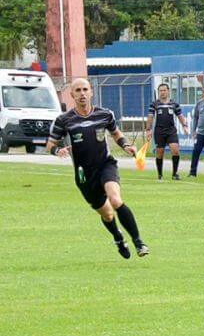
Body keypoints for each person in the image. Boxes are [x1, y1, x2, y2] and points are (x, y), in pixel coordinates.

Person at [46, 77, 148, 259]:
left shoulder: (105, 114)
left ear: (91, 92)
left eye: (85, 89)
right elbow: (50, 144)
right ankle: (118, 237)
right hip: (84, 174)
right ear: (72, 95)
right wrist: (57, 150)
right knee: (107, 214)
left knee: (115, 200)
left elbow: (116, 134)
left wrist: (126, 145)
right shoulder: (64, 120)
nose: (82, 94)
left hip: (106, 165)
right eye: (78, 90)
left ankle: (139, 242)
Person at [147, 83, 188, 180]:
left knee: (175, 150)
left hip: (171, 131)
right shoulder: (154, 104)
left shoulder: (174, 104)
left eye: (164, 90)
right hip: (159, 131)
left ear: (168, 91)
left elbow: (180, 116)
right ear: (158, 92)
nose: (162, 92)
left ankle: (175, 174)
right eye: (161, 91)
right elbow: (150, 117)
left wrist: (185, 126)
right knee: (160, 153)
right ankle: (160, 175)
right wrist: (148, 129)